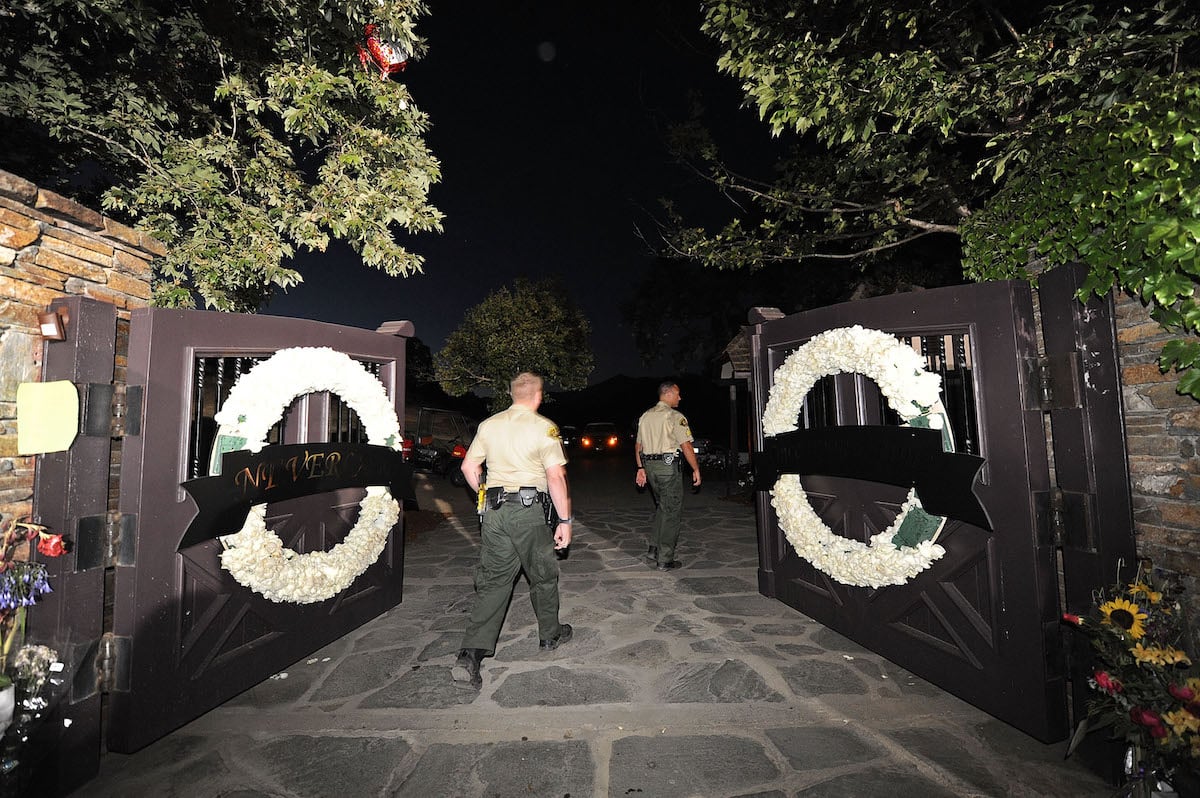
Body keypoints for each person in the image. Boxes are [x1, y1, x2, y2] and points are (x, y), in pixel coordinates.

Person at [451, 372, 574, 689]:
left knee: (493, 580)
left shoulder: (489, 425)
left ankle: (470, 655)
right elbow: (556, 477)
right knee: (542, 573)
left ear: (512, 394)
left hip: (493, 511)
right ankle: (550, 636)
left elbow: (468, 467)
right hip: (527, 511)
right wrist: (565, 521)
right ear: (538, 395)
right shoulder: (544, 427)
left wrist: (485, 493)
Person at [634, 380, 701, 570]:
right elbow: (686, 445)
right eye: (678, 394)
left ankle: (654, 548)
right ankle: (665, 558)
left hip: (650, 468)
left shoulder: (645, 416)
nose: (680, 397)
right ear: (669, 394)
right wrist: (695, 469)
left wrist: (640, 469)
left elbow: (638, 446)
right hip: (667, 468)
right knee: (671, 512)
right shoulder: (675, 416)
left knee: (663, 507)